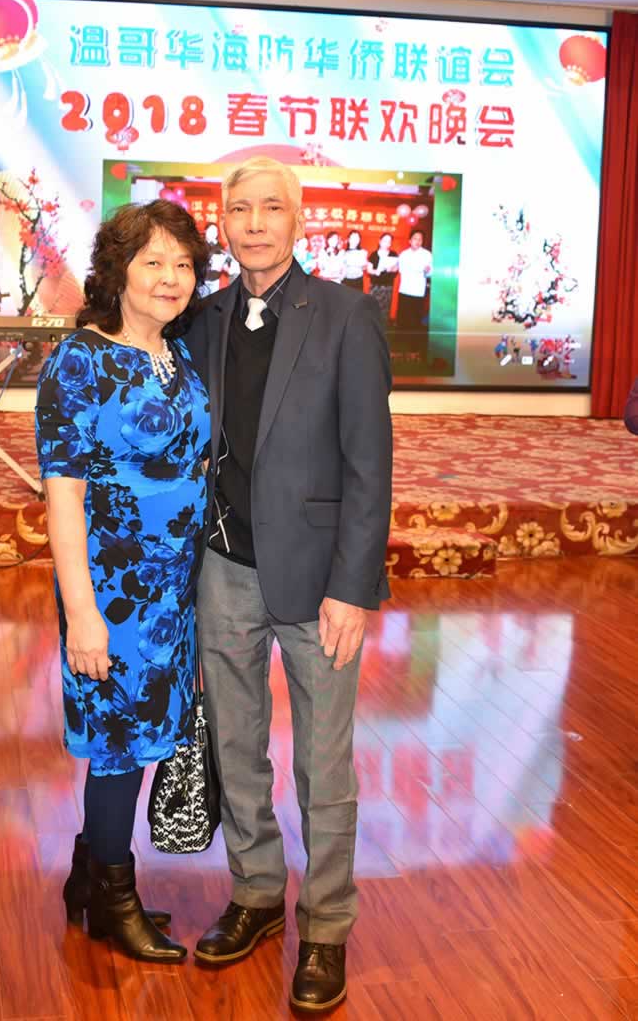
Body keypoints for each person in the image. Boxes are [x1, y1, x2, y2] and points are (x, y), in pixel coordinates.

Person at [183, 157, 392, 1013]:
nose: (255, 223)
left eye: (272, 208)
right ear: (223, 222)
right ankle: (257, 891)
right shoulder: (204, 318)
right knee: (235, 745)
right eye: (240, 209)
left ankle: (328, 924)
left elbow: (369, 462)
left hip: (318, 580)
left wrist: (353, 585)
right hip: (224, 567)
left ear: (298, 220)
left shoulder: (344, 315)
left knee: (321, 761)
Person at [35, 200, 210, 962]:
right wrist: (82, 613)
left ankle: (85, 876)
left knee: (140, 738)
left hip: (171, 592)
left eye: (183, 264)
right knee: (117, 744)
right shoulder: (80, 360)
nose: (171, 278)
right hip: (111, 592)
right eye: (153, 262)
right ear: (118, 271)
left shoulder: (177, 353)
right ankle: (113, 899)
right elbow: (62, 495)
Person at [395, 229, 433, 338]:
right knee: (403, 319)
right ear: (410, 241)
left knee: (415, 320)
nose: (418, 241)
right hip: (405, 289)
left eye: (420, 239)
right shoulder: (403, 254)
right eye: (415, 239)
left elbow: (430, 273)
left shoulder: (427, 254)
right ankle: (401, 340)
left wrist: (427, 271)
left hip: (418, 291)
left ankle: (413, 342)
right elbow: (401, 270)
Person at [366, 232, 398, 323]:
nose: (386, 243)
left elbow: (396, 268)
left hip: (388, 286)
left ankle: (382, 327)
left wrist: (391, 269)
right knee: (373, 308)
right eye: (384, 240)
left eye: (389, 241)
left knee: (385, 310)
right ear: (380, 241)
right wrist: (376, 271)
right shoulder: (373, 254)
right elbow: (368, 270)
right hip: (375, 286)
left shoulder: (393, 254)